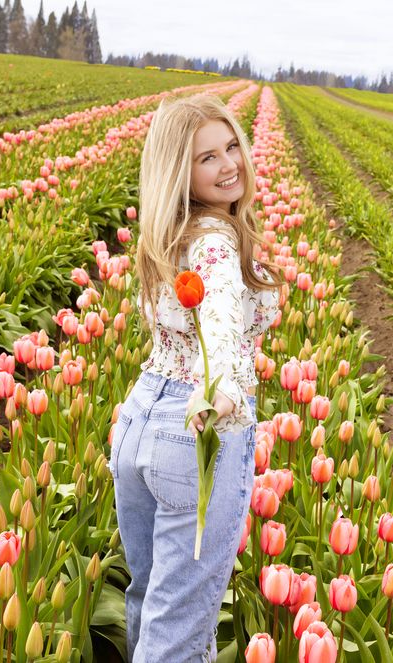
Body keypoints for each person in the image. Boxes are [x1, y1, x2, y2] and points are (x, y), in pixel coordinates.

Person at [108, 93, 285, 662]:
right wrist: (225, 391)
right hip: (197, 427)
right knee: (177, 632)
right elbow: (222, 321)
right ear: (178, 171)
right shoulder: (214, 240)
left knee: (148, 601)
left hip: (139, 419)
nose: (230, 163)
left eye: (232, 145)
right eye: (207, 157)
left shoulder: (169, 236)